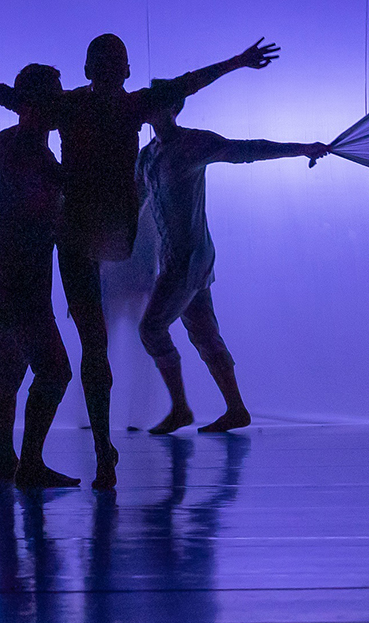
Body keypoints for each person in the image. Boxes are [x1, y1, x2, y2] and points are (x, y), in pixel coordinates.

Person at [0, 34, 279, 488]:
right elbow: (187, 83)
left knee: (85, 346)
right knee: (92, 346)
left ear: (90, 71)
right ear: (123, 71)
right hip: (99, 233)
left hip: (79, 235)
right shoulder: (124, 106)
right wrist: (237, 61)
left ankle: (97, 451)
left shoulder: (74, 108)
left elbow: (9, 99)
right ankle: (101, 451)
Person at [135, 88, 329, 434]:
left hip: (189, 259)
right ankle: (235, 408)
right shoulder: (147, 156)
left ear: (173, 107)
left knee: (152, 328)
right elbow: (134, 200)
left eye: (156, 101)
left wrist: (301, 149)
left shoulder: (192, 143)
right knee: (203, 332)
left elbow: (247, 149)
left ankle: (181, 408)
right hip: (176, 258)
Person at [0, 64, 77, 487]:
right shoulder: (31, 151)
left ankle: (4, 460)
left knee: (7, 370)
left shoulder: (9, 141)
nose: (60, 102)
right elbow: (44, 207)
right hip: (22, 274)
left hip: (6, 270)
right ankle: (28, 463)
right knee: (53, 371)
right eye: (55, 95)